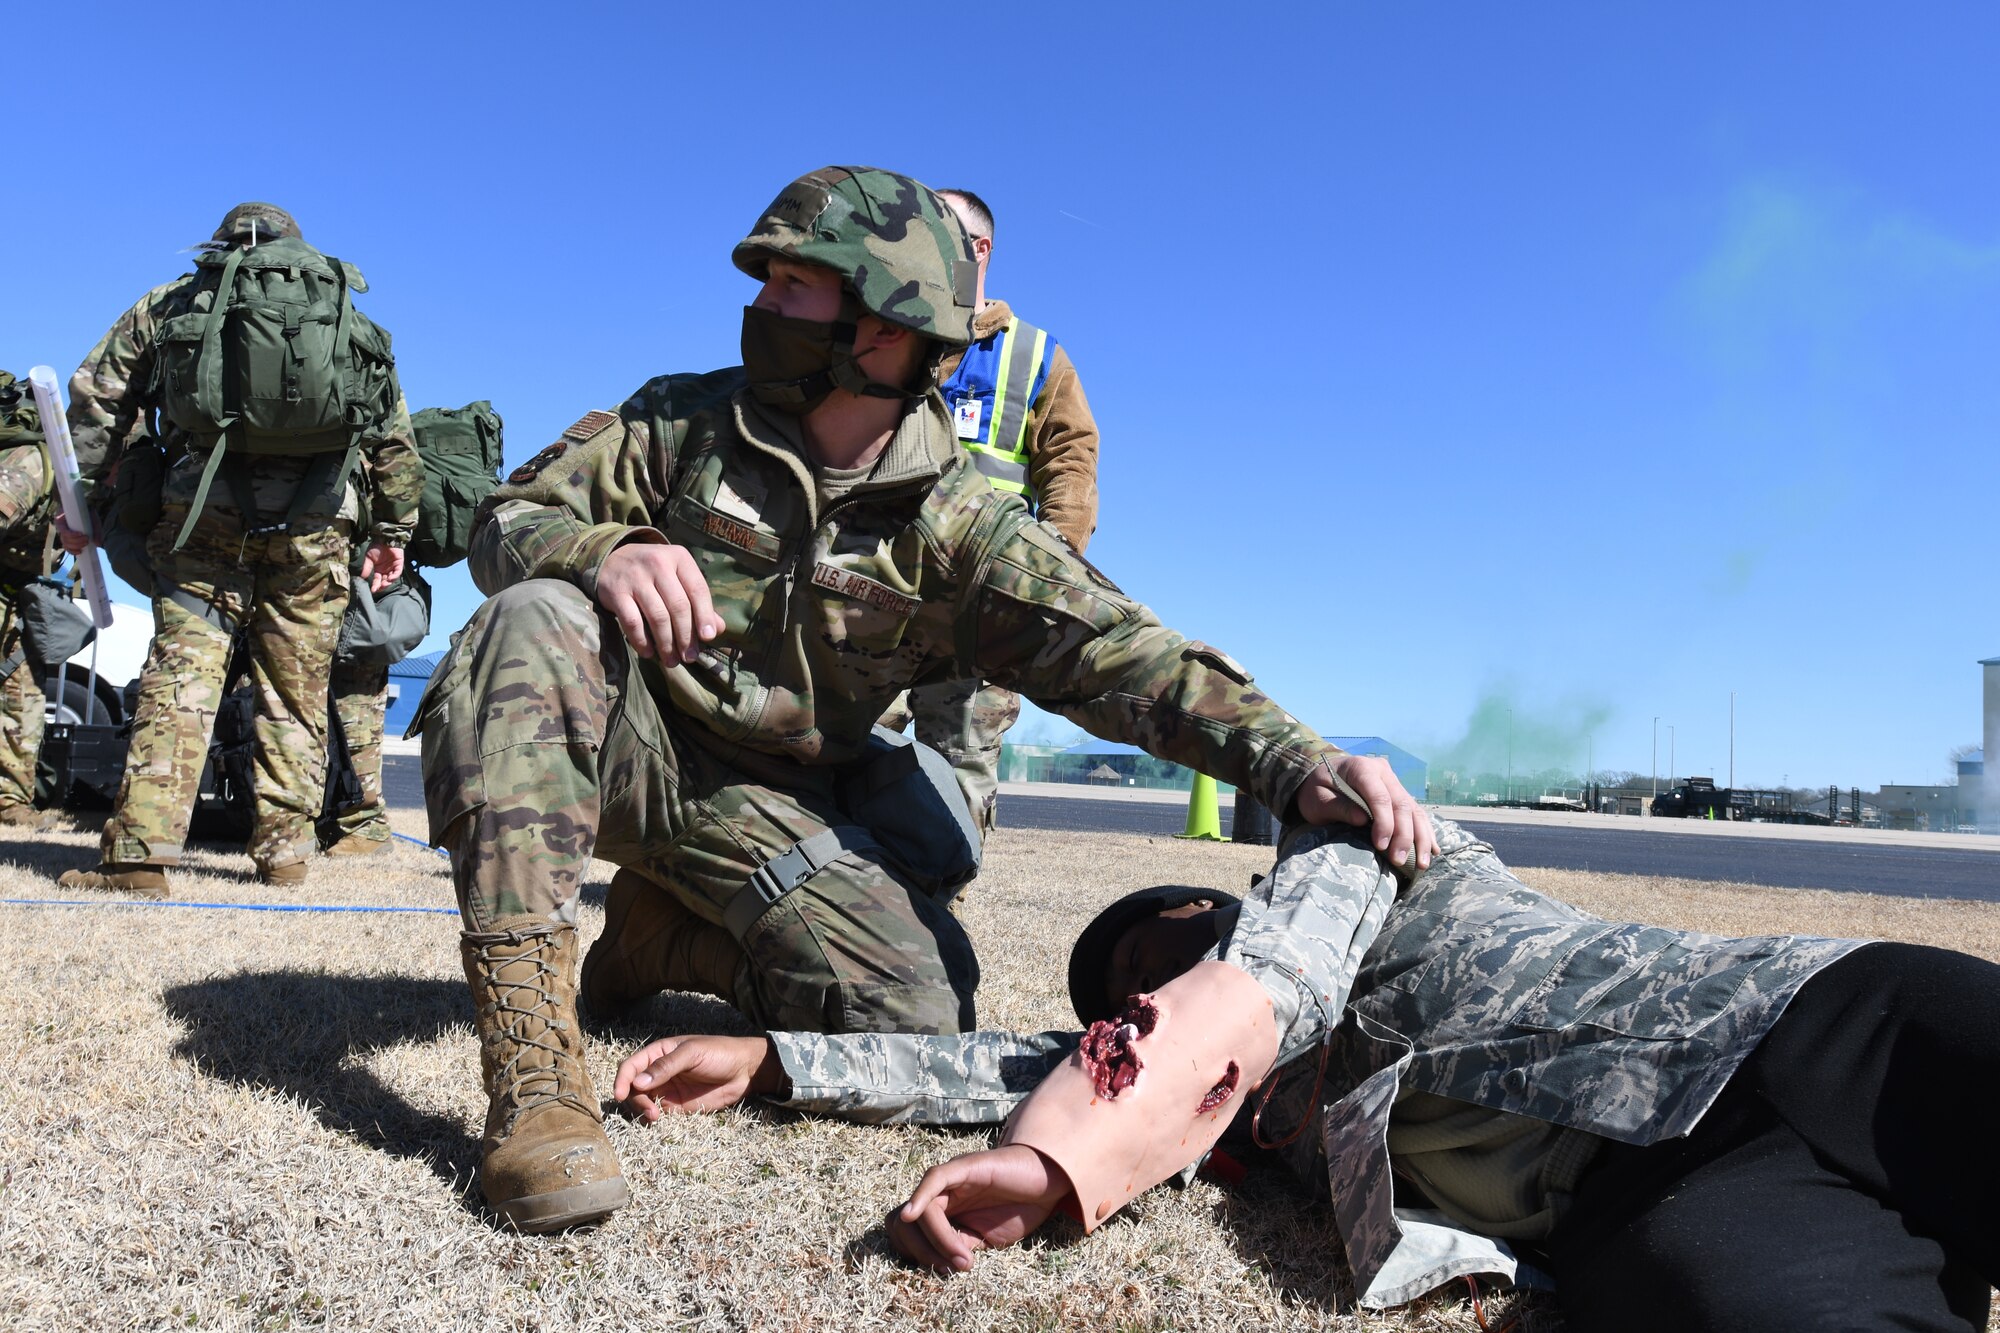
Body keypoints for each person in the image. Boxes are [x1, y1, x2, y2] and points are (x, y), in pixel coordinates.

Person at [419, 165, 1433, 1233]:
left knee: (914, 1008)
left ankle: (657, 943)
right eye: (764, 284)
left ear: (883, 329)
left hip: (767, 810)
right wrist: (600, 549)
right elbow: (504, 519)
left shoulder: (957, 526)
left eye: (793, 286)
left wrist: (1296, 761)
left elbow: (1121, 652)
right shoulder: (682, 421)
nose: (760, 306)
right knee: (533, 620)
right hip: (621, 744)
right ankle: (534, 1086)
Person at [617, 816, 2000, 1332]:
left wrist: (1071, 1153)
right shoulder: (1199, 1094)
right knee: (1731, 1307)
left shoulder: (1360, 871)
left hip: (1802, 1025)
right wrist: (777, 1057)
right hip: (1652, 1201)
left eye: (1167, 935)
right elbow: (974, 1064)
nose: (1149, 980)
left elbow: (1262, 983)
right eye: (1122, 990)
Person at [56, 202, 421, 897]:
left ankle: (140, 856)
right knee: (297, 687)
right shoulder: (343, 311)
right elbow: (392, 433)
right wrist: (392, 533)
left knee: (183, 676)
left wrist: (80, 500)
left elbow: (98, 400)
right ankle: (284, 854)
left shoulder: (175, 301)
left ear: (222, 245)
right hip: (318, 522)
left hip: (201, 514)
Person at [879, 187, 1101, 836]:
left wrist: (1036, 587)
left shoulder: (1036, 359)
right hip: (876, 596)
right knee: (840, 750)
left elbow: (1071, 479)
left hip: (977, 609)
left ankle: (936, 913)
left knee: (956, 771)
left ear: (979, 250)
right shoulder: (885, 342)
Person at [0, 371, 61, 827]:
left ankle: (10, 802)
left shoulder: (73, 473)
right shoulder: (33, 463)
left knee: (24, 695)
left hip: (18, 593)